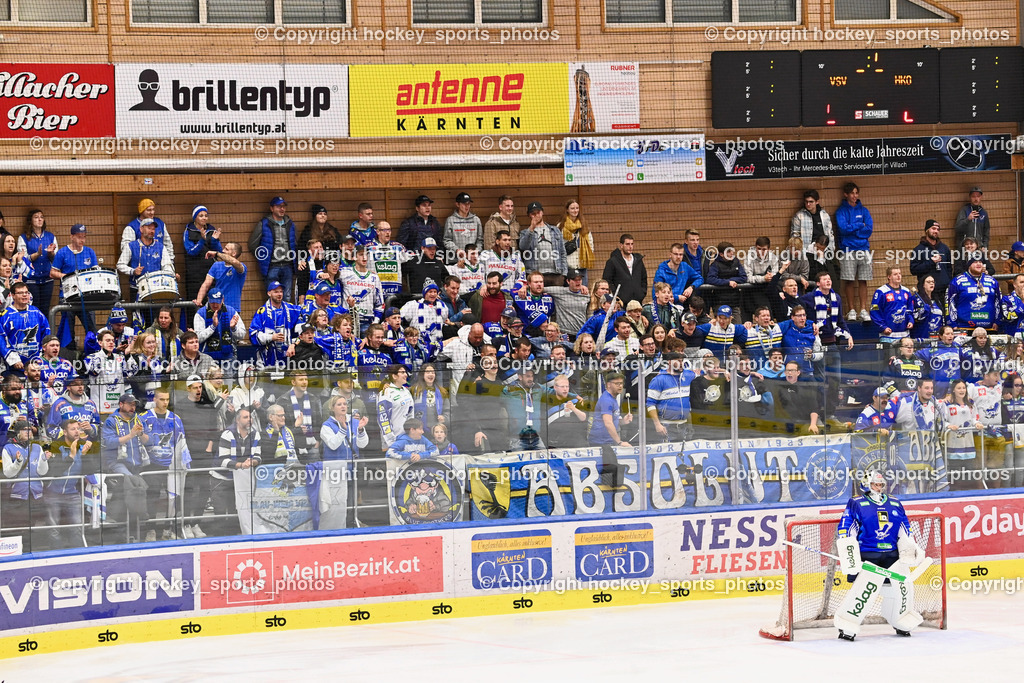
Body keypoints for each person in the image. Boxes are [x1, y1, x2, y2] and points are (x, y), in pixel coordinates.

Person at [833, 471, 926, 641]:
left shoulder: (895, 503)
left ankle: (900, 620)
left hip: (892, 555)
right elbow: (847, 527)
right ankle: (848, 623)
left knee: (899, 589)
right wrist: (849, 549)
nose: (879, 487)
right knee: (865, 591)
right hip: (869, 554)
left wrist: (911, 546)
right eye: (875, 484)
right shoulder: (857, 503)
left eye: (881, 484)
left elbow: (904, 527)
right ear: (867, 484)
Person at [138, 387, 190, 541]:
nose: (165, 402)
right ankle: (151, 529)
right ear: (154, 399)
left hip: (171, 464)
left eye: (167, 399)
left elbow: (182, 443)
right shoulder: (144, 417)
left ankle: (169, 528)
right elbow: (138, 442)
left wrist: (184, 462)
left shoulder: (175, 418)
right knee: (152, 497)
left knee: (173, 497)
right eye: (162, 399)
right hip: (151, 464)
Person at [175, 375, 223, 537]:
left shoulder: (207, 405)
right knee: (188, 488)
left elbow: (213, 428)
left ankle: (196, 522)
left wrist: (209, 447)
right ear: (188, 388)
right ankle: (186, 523)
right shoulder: (180, 406)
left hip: (204, 453)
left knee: (204, 488)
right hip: (187, 453)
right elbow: (178, 431)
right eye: (195, 387)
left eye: (200, 387)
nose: (198, 390)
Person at [1, 418, 51, 551]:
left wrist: (44, 460)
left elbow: (42, 472)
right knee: (19, 526)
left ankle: (31, 551)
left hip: (36, 494)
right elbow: (8, 473)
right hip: (18, 495)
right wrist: (17, 463)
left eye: (30, 430)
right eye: (25, 430)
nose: (29, 432)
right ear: (17, 432)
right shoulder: (8, 448)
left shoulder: (37, 447)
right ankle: (20, 552)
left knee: (33, 526)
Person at [213, 405, 260, 537]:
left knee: (237, 511)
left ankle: (236, 539)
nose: (249, 419)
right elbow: (222, 461)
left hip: (240, 478)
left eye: (250, 417)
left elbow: (258, 456)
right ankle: (220, 541)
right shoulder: (228, 434)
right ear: (238, 420)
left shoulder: (255, 433)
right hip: (221, 478)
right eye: (246, 417)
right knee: (221, 512)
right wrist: (241, 465)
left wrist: (252, 462)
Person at [49, 223, 99, 347]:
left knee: (91, 328)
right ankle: (69, 355)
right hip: (67, 297)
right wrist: (66, 276)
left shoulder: (90, 252)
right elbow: (52, 272)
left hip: (87, 297)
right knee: (68, 330)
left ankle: (93, 351)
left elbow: (96, 272)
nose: (82, 240)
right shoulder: (62, 253)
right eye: (79, 237)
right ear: (71, 237)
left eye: (84, 237)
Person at [117, 217, 176, 312]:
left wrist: (171, 275)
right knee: (138, 320)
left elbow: (167, 266)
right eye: (149, 228)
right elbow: (120, 265)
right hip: (137, 289)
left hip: (157, 290)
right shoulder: (131, 246)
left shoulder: (161, 247)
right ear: (141, 229)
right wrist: (133, 271)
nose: (152, 231)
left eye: (153, 229)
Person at [834, 182, 874, 321]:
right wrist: (858, 226)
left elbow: (868, 229)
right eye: (852, 193)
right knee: (849, 280)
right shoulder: (841, 211)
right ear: (846, 194)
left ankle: (863, 310)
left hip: (863, 249)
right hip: (847, 250)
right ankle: (851, 310)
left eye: (856, 193)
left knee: (863, 280)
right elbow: (843, 229)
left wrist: (855, 231)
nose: (854, 196)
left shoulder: (864, 211)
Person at [249, 196, 296, 300]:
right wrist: (263, 258)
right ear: (272, 208)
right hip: (271, 266)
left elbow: (294, 243)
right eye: (279, 206)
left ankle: (285, 316)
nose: (282, 209)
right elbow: (253, 244)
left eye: (283, 206)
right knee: (272, 297)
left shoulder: (290, 224)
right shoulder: (264, 224)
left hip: (288, 265)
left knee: (287, 297)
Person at [248, 280, 303, 369]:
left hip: (288, 359)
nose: (279, 294)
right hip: (266, 360)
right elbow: (253, 335)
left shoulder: (291, 309)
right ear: (269, 293)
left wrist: (294, 344)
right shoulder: (262, 312)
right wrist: (271, 337)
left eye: (281, 291)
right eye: (276, 291)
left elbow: (303, 329)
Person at [646, 352, 696, 443]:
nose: (681, 363)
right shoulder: (659, 379)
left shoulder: (688, 375)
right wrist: (657, 424)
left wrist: (724, 372)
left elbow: (707, 373)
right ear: (669, 362)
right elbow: (650, 404)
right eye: (677, 360)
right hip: (666, 426)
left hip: (685, 426)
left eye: (682, 360)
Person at [0, 281, 50, 371]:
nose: (24, 295)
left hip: (36, 364)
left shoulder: (36, 312)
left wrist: (42, 356)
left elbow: (46, 334)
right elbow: (2, 340)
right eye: (20, 293)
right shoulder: (5, 316)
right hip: (13, 366)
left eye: (26, 292)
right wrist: (13, 360)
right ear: (13, 295)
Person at [519, 202, 568, 286]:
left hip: (555, 274)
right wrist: (531, 228)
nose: (536, 215)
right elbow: (523, 247)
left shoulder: (555, 230)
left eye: (538, 212)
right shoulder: (524, 233)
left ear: (542, 212)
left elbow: (562, 252)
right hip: (535, 275)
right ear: (529, 216)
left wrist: (564, 273)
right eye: (533, 214)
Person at [18, 209, 57, 312]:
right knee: (32, 308)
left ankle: (45, 328)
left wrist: (50, 253)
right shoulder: (23, 237)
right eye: (36, 217)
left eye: (41, 217)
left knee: (45, 309)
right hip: (31, 280)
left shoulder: (50, 236)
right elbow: (23, 258)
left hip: (47, 279)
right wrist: (37, 254)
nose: (40, 219)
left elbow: (55, 259)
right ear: (30, 221)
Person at [948, 256, 1000, 332]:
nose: (978, 264)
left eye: (980, 262)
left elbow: (998, 302)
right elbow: (950, 303)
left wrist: (997, 322)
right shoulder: (957, 281)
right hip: (964, 328)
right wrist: (952, 324)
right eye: (975, 262)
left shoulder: (992, 281)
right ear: (969, 265)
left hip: (989, 327)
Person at [193, 289, 245, 363]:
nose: (215, 305)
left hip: (229, 358)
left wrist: (233, 328)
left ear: (222, 300)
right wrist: (212, 327)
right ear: (208, 299)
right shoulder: (200, 314)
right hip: (206, 359)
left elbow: (242, 335)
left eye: (217, 302)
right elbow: (198, 338)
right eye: (212, 302)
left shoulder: (232, 311)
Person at [182, 205, 222, 301]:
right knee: (195, 301)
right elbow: (190, 251)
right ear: (195, 217)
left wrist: (215, 241)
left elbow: (219, 252)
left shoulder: (211, 230)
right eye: (201, 215)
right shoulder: (189, 231)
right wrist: (202, 241)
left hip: (210, 271)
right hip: (194, 273)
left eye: (206, 215)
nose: (204, 218)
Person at [193, 242, 247, 312]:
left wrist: (217, 254)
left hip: (233, 309)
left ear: (234, 253)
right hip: (216, 307)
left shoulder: (241, 267)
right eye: (224, 248)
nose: (223, 251)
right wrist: (199, 300)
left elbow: (234, 262)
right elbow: (206, 284)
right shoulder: (216, 265)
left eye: (226, 249)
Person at [276, 372, 322, 453]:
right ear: (293, 382)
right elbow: (279, 426)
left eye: (306, 379)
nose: (304, 382)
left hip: (312, 446)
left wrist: (318, 440)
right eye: (301, 380)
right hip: (291, 447)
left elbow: (319, 422)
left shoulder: (314, 399)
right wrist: (296, 427)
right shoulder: (282, 401)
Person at [909, 219, 952, 304]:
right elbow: (913, 270)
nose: (936, 231)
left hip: (944, 291)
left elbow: (949, 268)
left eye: (938, 229)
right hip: (927, 293)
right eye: (933, 228)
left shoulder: (944, 248)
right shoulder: (918, 250)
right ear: (927, 230)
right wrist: (931, 262)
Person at [771, 361, 821, 434]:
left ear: (798, 373)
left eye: (792, 370)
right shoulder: (779, 387)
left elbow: (814, 407)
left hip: (805, 422)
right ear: (785, 372)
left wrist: (813, 424)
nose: (789, 373)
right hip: (786, 424)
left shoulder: (806, 387)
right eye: (788, 370)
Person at [869, 266, 915, 343]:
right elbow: (874, 311)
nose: (898, 276)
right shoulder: (881, 292)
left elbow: (910, 309)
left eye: (900, 273)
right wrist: (883, 327)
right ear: (889, 277)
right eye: (895, 274)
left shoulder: (906, 291)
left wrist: (911, 321)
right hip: (888, 336)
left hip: (905, 336)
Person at [541, 373, 588, 448]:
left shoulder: (575, 400)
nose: (565, 389)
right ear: (555, 387)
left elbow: (584, 417)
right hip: (554, 444)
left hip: (575, 443)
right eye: (562, 387)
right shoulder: (547, 401)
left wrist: (573, 408)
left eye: (567, 386)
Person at [400, 279, 449, 350]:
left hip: (436, 346)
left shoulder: (442, 306)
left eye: (435, 292)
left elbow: (445, 319)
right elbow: (398, 319)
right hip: (416, 346)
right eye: (430, 292)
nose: (433, 294)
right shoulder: (413, 305)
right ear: (425, 293)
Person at [602, 233, 647, 307]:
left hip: (637, 302)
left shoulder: (638, 260)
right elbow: (607, 280)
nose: (630, 247)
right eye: (627, 244)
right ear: (621, 245)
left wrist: (641, 293)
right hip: (621, 304)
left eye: (632, 244)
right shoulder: (613, 261)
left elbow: (643, 278)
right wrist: (617, 295)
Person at [790, 190, 835, 265]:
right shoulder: (799, 216)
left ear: (817, 202)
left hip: (824, 249)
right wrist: (800, 253)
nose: (808, 204)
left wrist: (831, 250)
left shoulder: (824, 215)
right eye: (806, 202)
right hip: (807, 251)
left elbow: (830, 234)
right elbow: (795, 236)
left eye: (811, 202)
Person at [705, 242, 747, 321]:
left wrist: (732, 280)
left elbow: (743, 277)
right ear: (721, 254)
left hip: (735, 302)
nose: (732, 253)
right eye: (728, 251)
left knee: (737, 327)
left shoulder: (736, 262)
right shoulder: (715, 265)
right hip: (720, 302)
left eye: (732, 251)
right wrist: (727, 282)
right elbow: (710, 279)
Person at [369, 221, 409, 301]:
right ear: (378, 232)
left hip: (394, 290)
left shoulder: (398, 247)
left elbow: (411, 259)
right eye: (384, 230)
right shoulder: (368, 248)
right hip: (376, 289)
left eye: (389, 230)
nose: (387, 233)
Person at [377, 365, 414, 450]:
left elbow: (410, 415)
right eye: (402, 372)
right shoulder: (386, 392)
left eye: (405, 372)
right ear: (394, 376)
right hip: (392, 441)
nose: (406, 375)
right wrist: (391, 441)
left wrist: (411, 434)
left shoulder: (406, 392)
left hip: (407, 440)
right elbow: (383, 418)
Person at [558, 200, 595, 284]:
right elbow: (558, 246)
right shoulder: (561, 226)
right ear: (567, 210)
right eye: (572, 208)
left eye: (577, 208)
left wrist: (586, 256)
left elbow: (590, 244)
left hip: (581, 264)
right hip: (568, 265)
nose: (575, 210)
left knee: (583, 290)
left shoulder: (584, 225)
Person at [743, 236, 780, 319]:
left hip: (768, 289)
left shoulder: (774, 258)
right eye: (759, 249)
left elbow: (775, 275)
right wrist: (763, 278)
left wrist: (771, 277)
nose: (761, 252)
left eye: (764, 249)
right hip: (751, 290)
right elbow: (748, 278)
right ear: (755, 247)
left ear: (769, 249)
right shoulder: (749, 258)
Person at [468, 271, 513, 337]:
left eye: (494, 283)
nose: (491, 286)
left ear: (501, 283)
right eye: (489, 283)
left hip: (501, 336)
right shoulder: (478, 296)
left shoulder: (508, 298)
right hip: (482, 336)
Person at [481, 229, 526, 294]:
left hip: (510, 294)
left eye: (509, 240)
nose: (508, 242)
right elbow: (479, 272)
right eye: (505, 240)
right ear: (497, 241)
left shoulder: (516, 256)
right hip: (490, 293)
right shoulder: (486, 255)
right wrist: (484, 286)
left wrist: (515, 289)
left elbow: (522, 276)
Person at [514, 271, 557, 338]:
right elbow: (510, 291)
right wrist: (524, 287)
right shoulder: (520, 295)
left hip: (544, 336)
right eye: (536, 282)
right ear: (529, 284)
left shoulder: (550, 298)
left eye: (541, 282)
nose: (539, 284)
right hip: (524, 336)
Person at [443, 191, 483, 263]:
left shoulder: (476, 220)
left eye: (468, 203)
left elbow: (480, 240)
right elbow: (447, 240)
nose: (467, 206)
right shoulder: (451, 220)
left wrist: (475, 252)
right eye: (464, 204)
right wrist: (456, 250)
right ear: (457, 204)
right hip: (455, 260)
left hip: (473, 261)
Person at [911, 274, 944, 340]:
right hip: (922, 337)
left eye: (933, 282)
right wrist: (922, 311)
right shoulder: (916, 299)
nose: (931, 283)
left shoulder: (937, 300)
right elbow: (913, 317)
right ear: (923, 285)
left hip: (936, 338)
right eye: (928, 282)